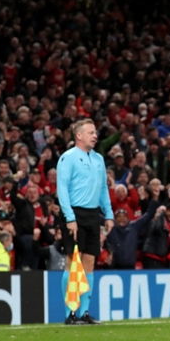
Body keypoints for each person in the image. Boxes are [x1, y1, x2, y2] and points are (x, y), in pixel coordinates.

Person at [56, 118, 114, 325]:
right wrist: (69, 218)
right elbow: (61, 189)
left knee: (89, 262)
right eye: (90, 132)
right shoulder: (68, 158)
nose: (95, 135)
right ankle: (70, 312)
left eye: (95, 132)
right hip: (74, 214)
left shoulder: (98, 159)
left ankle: (84, 312)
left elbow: (103, 189)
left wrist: (108, 214)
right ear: (78, 135)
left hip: (92, 215)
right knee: (74, 263)